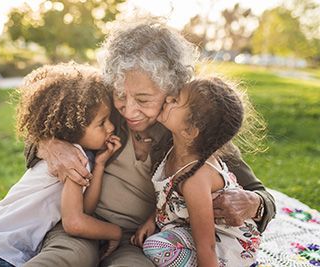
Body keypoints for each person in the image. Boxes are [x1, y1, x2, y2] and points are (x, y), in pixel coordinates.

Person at [24, 17, 275, 267]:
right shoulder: (104, 110)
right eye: (121, 94)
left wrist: (254, 204)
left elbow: (262, 196)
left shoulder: (193, 132)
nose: (128, 110)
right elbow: (50, 125)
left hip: (141, 241)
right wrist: (49, 144)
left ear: (171, 91)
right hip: (86, 227)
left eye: (143, 100)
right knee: (60, 259)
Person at [0, 63, 122, 267]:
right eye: (102, 122)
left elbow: (84, 210)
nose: (111, 126)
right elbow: (74, 223)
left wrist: (99, 166)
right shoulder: (73, 158)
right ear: (73, 128)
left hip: (2, 245)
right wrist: (115, 232)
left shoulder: (85, 156)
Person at [133, 77, 261, 266]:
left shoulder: (196, 179)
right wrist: (152, 220)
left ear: (190, 131)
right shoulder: (174, 151)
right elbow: (167, 197)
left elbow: (206, 246)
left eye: (175, 101)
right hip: (192, 230)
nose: (168, 99)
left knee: (156, 246)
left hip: (226, 246)